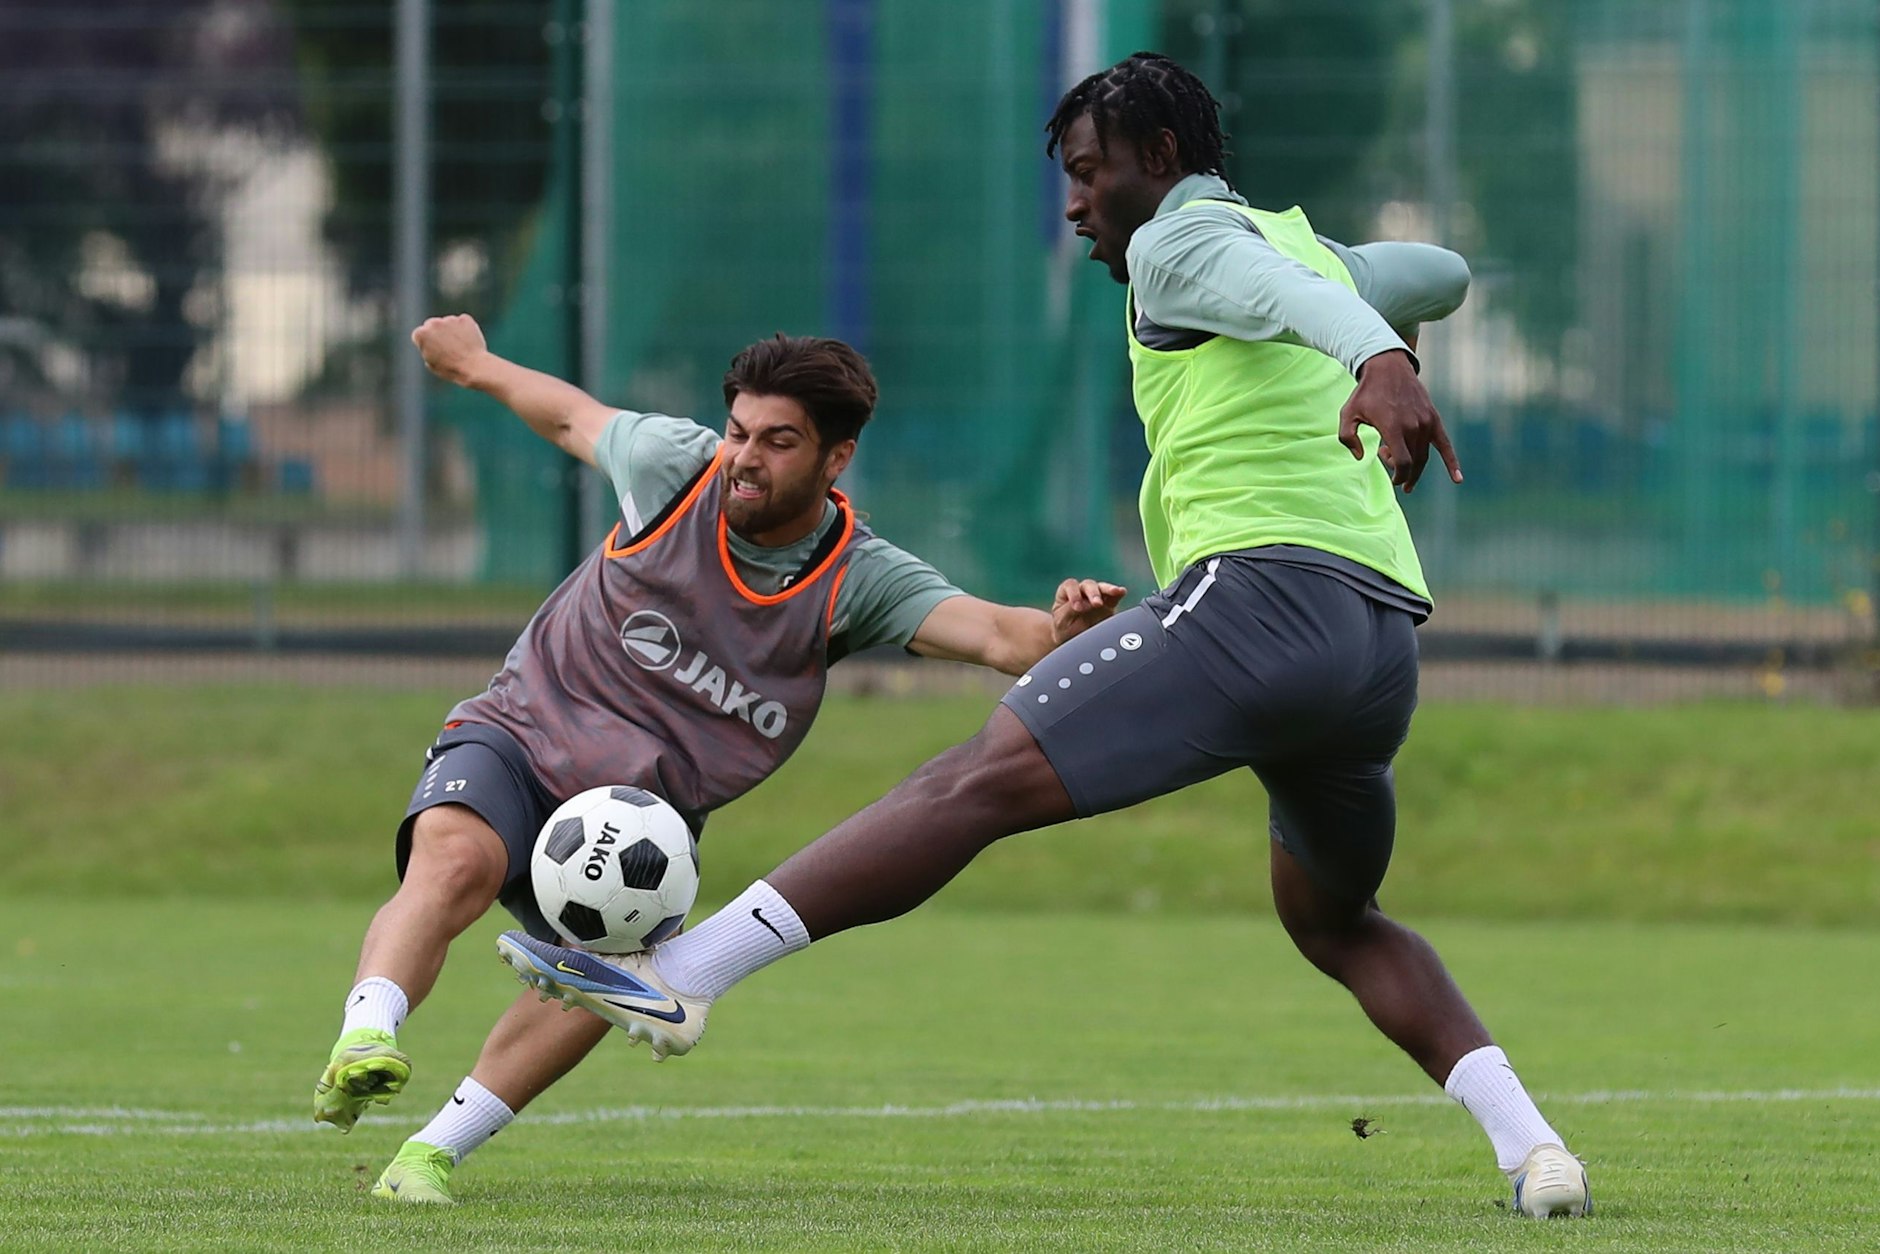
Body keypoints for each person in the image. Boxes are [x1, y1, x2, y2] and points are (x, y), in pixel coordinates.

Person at [499, 52, 1591, 1220]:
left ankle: (683, 974)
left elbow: (1303, 300)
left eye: (1086, 173)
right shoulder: (1291, 255)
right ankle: (1536, 1153)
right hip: (1375, 650)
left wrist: (1374, 354)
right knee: (1333, 918)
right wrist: (1361, 294)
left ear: (1160, 163)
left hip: (1261, 606)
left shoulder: (1179, 242)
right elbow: (1441, 269)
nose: (1073, 204)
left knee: (975, 778)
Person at [317, 314, 1129, 1204]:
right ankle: (368, 1033)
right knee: (455, 856)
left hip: (646, 816)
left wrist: (1063, 630)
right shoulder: (675, 466)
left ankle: (429, 1156)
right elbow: (568, 417)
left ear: (836, 458)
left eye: (779, 442)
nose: (745, 457)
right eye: (740, 431)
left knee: (602, 983)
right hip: (523, 729)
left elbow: (993, 632)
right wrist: (474, 365)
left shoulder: (857, 578)